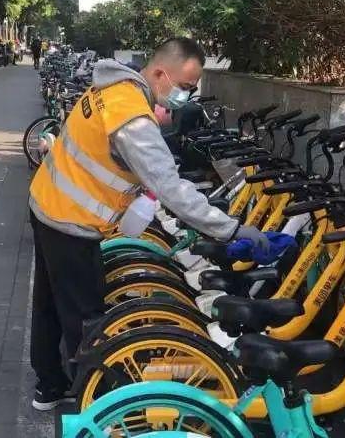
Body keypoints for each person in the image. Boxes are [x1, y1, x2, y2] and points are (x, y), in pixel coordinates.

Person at [27, 37, 270, 410]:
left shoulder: (112, 89)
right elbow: (171, 188)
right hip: (71, 222)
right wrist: (232, 229)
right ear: (160, 74)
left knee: (49, 305)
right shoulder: (133, 117)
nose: (185, 95)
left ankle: (50, 385)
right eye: (185, 86)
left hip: (47, 203)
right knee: (88, 320)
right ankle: (99, 405)